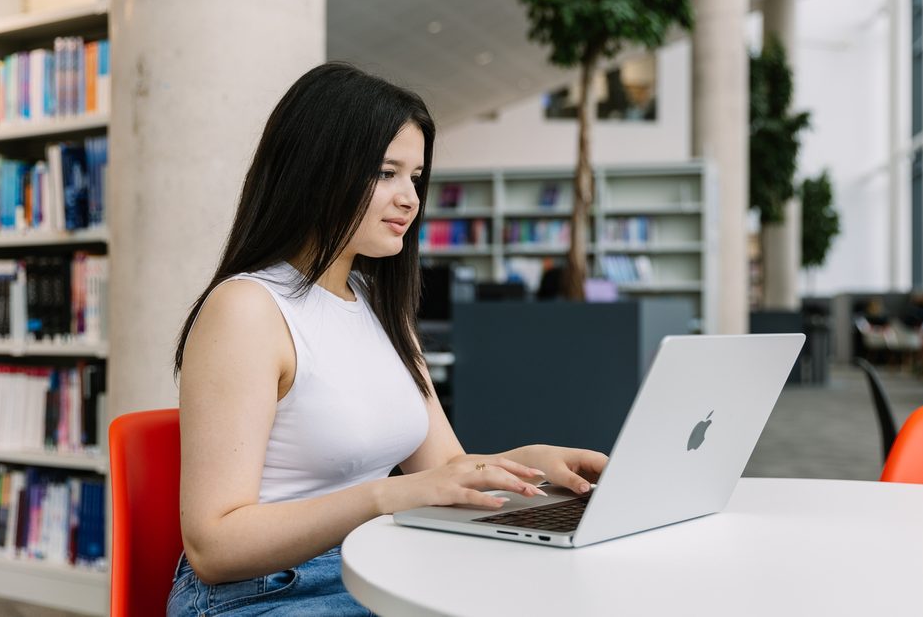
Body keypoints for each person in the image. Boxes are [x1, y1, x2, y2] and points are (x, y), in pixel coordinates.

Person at [167, 62, 608, 616]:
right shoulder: (247, 309)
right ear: (315, 170)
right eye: (385, 173)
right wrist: (383, 497)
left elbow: (443, 467)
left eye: (415, 177)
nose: (410, 199)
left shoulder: (379, 302)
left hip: (375, 563)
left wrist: (531, 465)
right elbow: (213, 546)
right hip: (263, 593)